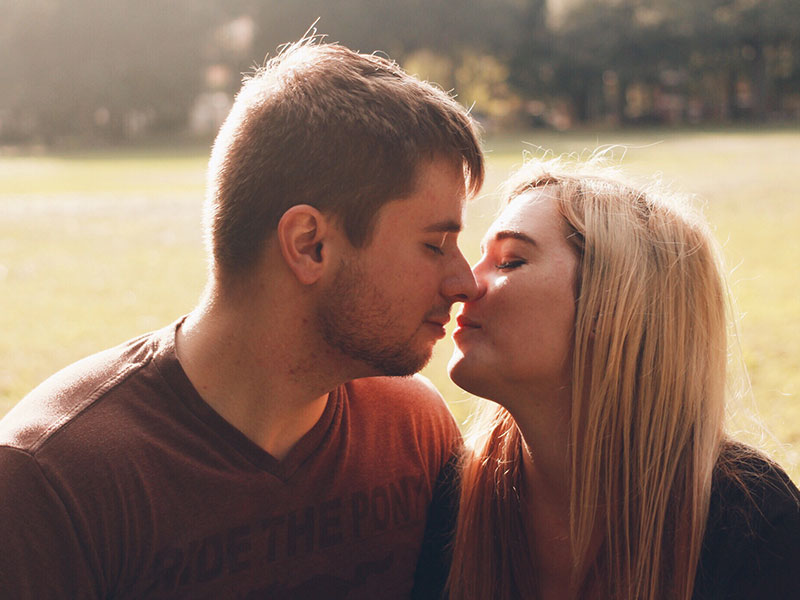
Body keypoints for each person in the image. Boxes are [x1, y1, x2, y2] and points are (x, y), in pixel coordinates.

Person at [0, 37, 484, 599]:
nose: (464, 281)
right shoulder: (54, 480)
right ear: (310, 245)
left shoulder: (410, 433)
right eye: (435, 244)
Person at [445, 157, 800, 600]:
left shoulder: (752, 523)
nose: (461, 283)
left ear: (611, 310)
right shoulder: (453, 496)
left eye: (511, 261)